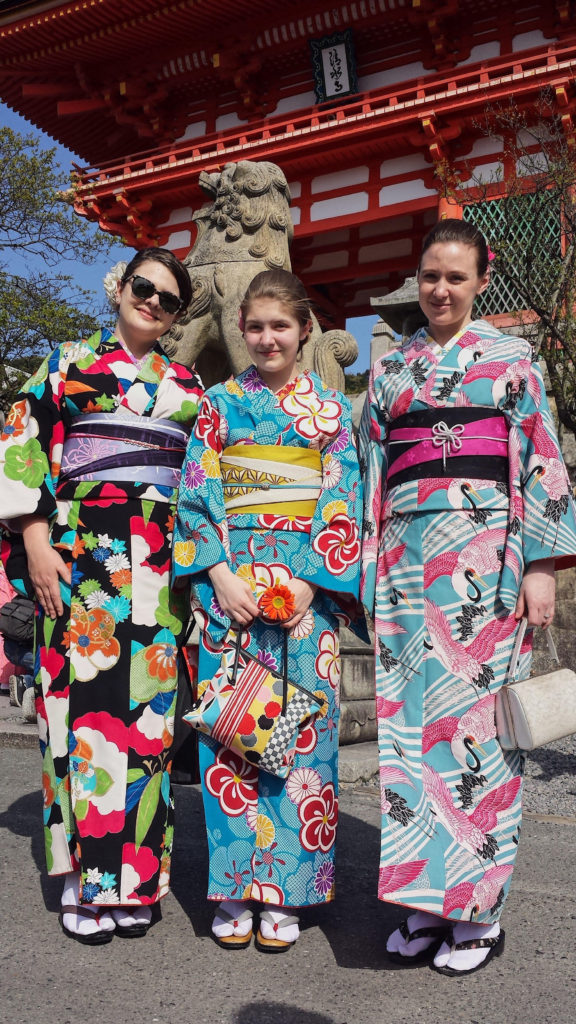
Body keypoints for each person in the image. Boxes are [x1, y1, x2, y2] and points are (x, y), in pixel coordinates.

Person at [359, 218, 576, 976]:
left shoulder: (512, 360)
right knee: (407, 741)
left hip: (486, 572)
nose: (441, 289)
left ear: (483, 279)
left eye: (456, 276)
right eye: (429, 277)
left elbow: (542, 457)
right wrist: (365, 569)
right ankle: (424, 905)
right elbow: (366, 475)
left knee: (478, 737)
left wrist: (543, 564)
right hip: (404, 571)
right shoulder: (392, 372)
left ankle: (477, 913)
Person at [0, 247, 203, 944]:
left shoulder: (188, 387)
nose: (152, 302)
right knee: (77, 721)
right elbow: (19, 442)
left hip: (159, 570)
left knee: (149, 727)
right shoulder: (65, 364)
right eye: (144, 287)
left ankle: (135, 881)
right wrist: (32, 539)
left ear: (177, 316)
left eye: (168, 299)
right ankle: (86, 881)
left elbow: (202, 483)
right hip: (80, 559)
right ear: (120, 288)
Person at [173, 268, 363, 952]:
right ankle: (234, 888)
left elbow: (345, 496)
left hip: (304, 599)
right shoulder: (219, 404)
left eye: (280, 325)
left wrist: (314, 582)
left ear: (304, 329)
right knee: (231, 734)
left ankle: (285, 890)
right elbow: (196, 495)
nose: (266, 338)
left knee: (300, 742)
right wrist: (218, 575)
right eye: (254, 326)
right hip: (234, 593)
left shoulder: (332, 411)